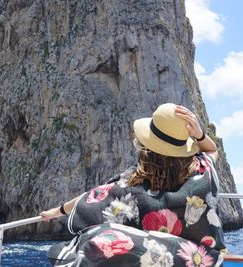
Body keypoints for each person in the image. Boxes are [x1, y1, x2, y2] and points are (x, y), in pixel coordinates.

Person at [40, 103, 226, 266]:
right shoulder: (203, 172)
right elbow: (212, 149)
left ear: (148, 147)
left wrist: (57, 211)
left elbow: (92, 197)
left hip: (149, 259)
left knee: (95, 239)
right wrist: (200, 135)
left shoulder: (131, 182)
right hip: (200, 261)